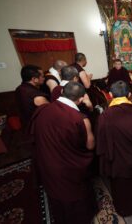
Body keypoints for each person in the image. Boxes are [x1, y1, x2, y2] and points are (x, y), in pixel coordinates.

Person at [29, 82, 97, 224]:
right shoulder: (80, 119)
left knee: (57, 193)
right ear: (80, 99)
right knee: (75, 196)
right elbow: (90, 146)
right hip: (69, 167)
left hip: (47, 161)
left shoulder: (43, 109)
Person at [95, 81, 132, 216]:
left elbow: (101, 143)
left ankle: (124, 209)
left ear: (110, 95)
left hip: (117, 162)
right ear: (130, 95)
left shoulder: (104, 117)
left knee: (121, 189)